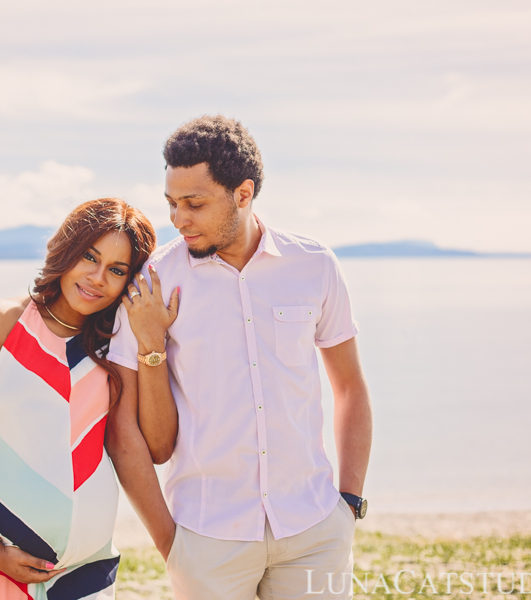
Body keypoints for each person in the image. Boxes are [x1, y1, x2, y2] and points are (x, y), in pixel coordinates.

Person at [105, 116, 373, 600]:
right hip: (207, 538)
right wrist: (170, 543)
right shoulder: (153, 282)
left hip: (313, 529)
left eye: (194, 203)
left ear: (243, 194)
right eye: (171, 203)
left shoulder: (314, 265)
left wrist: (349, 502)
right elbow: (126, 431)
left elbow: (349, 388)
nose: (178, 218)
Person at [0, 197, 166, 600]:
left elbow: (145, 447)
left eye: (116, 270)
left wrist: (151, 342)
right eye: (89, 257)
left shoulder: (113, 349)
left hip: (88, 569)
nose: (97, 278)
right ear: (66, 248)